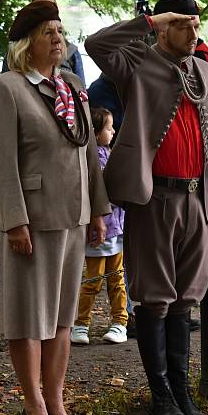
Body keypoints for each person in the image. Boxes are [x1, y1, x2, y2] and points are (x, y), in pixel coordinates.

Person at [85, 0, 208, 415]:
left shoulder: (204, 70)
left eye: (197, 24)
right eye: (184, 24)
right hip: (155, 198)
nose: (194, 31)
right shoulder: (136, 63)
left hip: (198, 199)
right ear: (164, 26)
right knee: (156, 297)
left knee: (187, 297)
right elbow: (96, 45)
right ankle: (160, 392)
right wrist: (150, 21)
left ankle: (181, 389)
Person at [0, 0, 109, 415]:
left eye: (60, 30)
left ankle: (56, 401)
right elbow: (1, 162)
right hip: (32, 223)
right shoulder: (7, 88)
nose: (58, 38)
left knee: (60, 319)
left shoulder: (73, 85)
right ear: (26, 44)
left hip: (74, 220)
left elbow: (89, 154)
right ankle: (34, 404)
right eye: (47, 33)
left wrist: (98, 210)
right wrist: (15, 221)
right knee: (28, 318)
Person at [71, 108, 128, 345]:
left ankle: (120, 322)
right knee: (92, 280)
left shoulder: (110, 154)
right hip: (98, 231)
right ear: (94, 132)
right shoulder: (91, 159)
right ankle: (81, 323)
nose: (113, 131)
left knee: (117, 279)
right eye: (108, 127)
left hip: (116, 229)